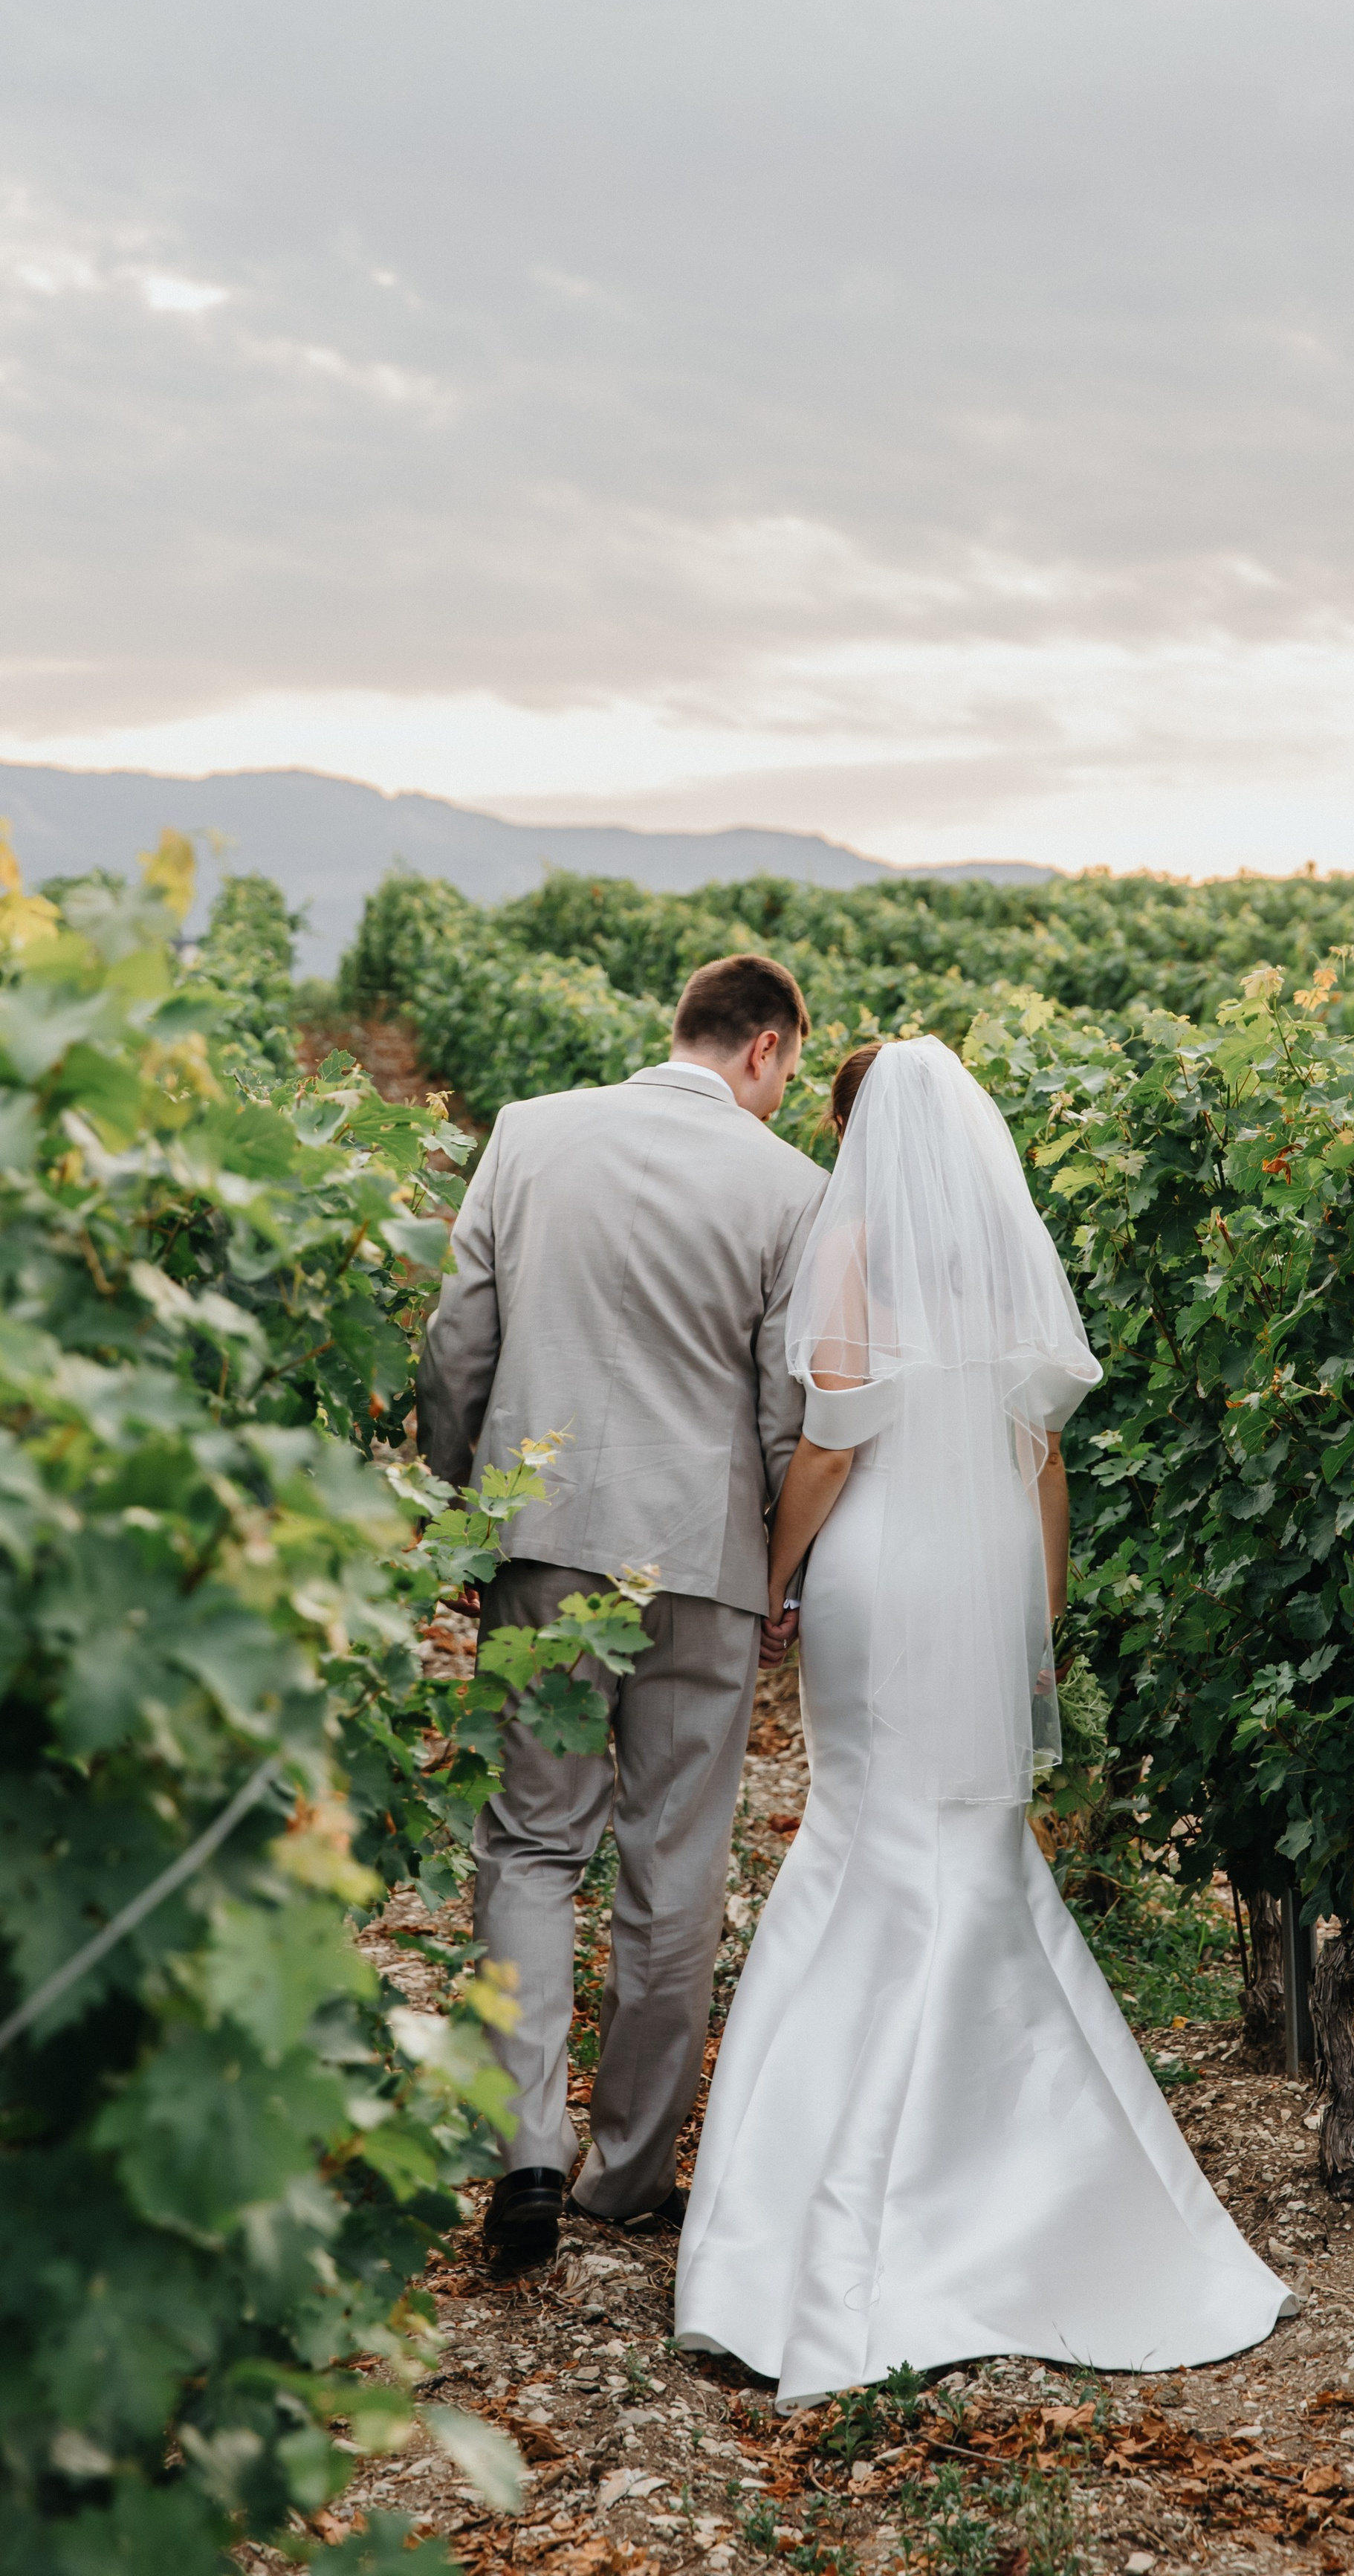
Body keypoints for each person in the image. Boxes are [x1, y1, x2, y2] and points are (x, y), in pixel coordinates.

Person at [674, 1035, 1289, 2403]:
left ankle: (834, 2218)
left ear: (858, 1134)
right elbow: (1046, 1463)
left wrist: (772, 1581)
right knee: (976, 1832)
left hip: (883, 1564)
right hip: (991, 1559)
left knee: (864, 1824)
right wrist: (1037, 1626)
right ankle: (1044, 2180)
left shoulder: (855, 1257)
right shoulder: (1006, 1260)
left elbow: (832, 1445)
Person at [416, 951, 828, 2275]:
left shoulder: (530, 1136)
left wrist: (464, 1505)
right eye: (791, 1071)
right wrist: (779, 1571)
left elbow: (457, 1338)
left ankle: (523, 2149)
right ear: (764, 1047)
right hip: (703, 1558)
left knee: (532, 1844)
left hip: (541, 1540)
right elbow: (783, 1406)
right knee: (674, 1858)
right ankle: (630, 2171)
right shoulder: (793, 1190)